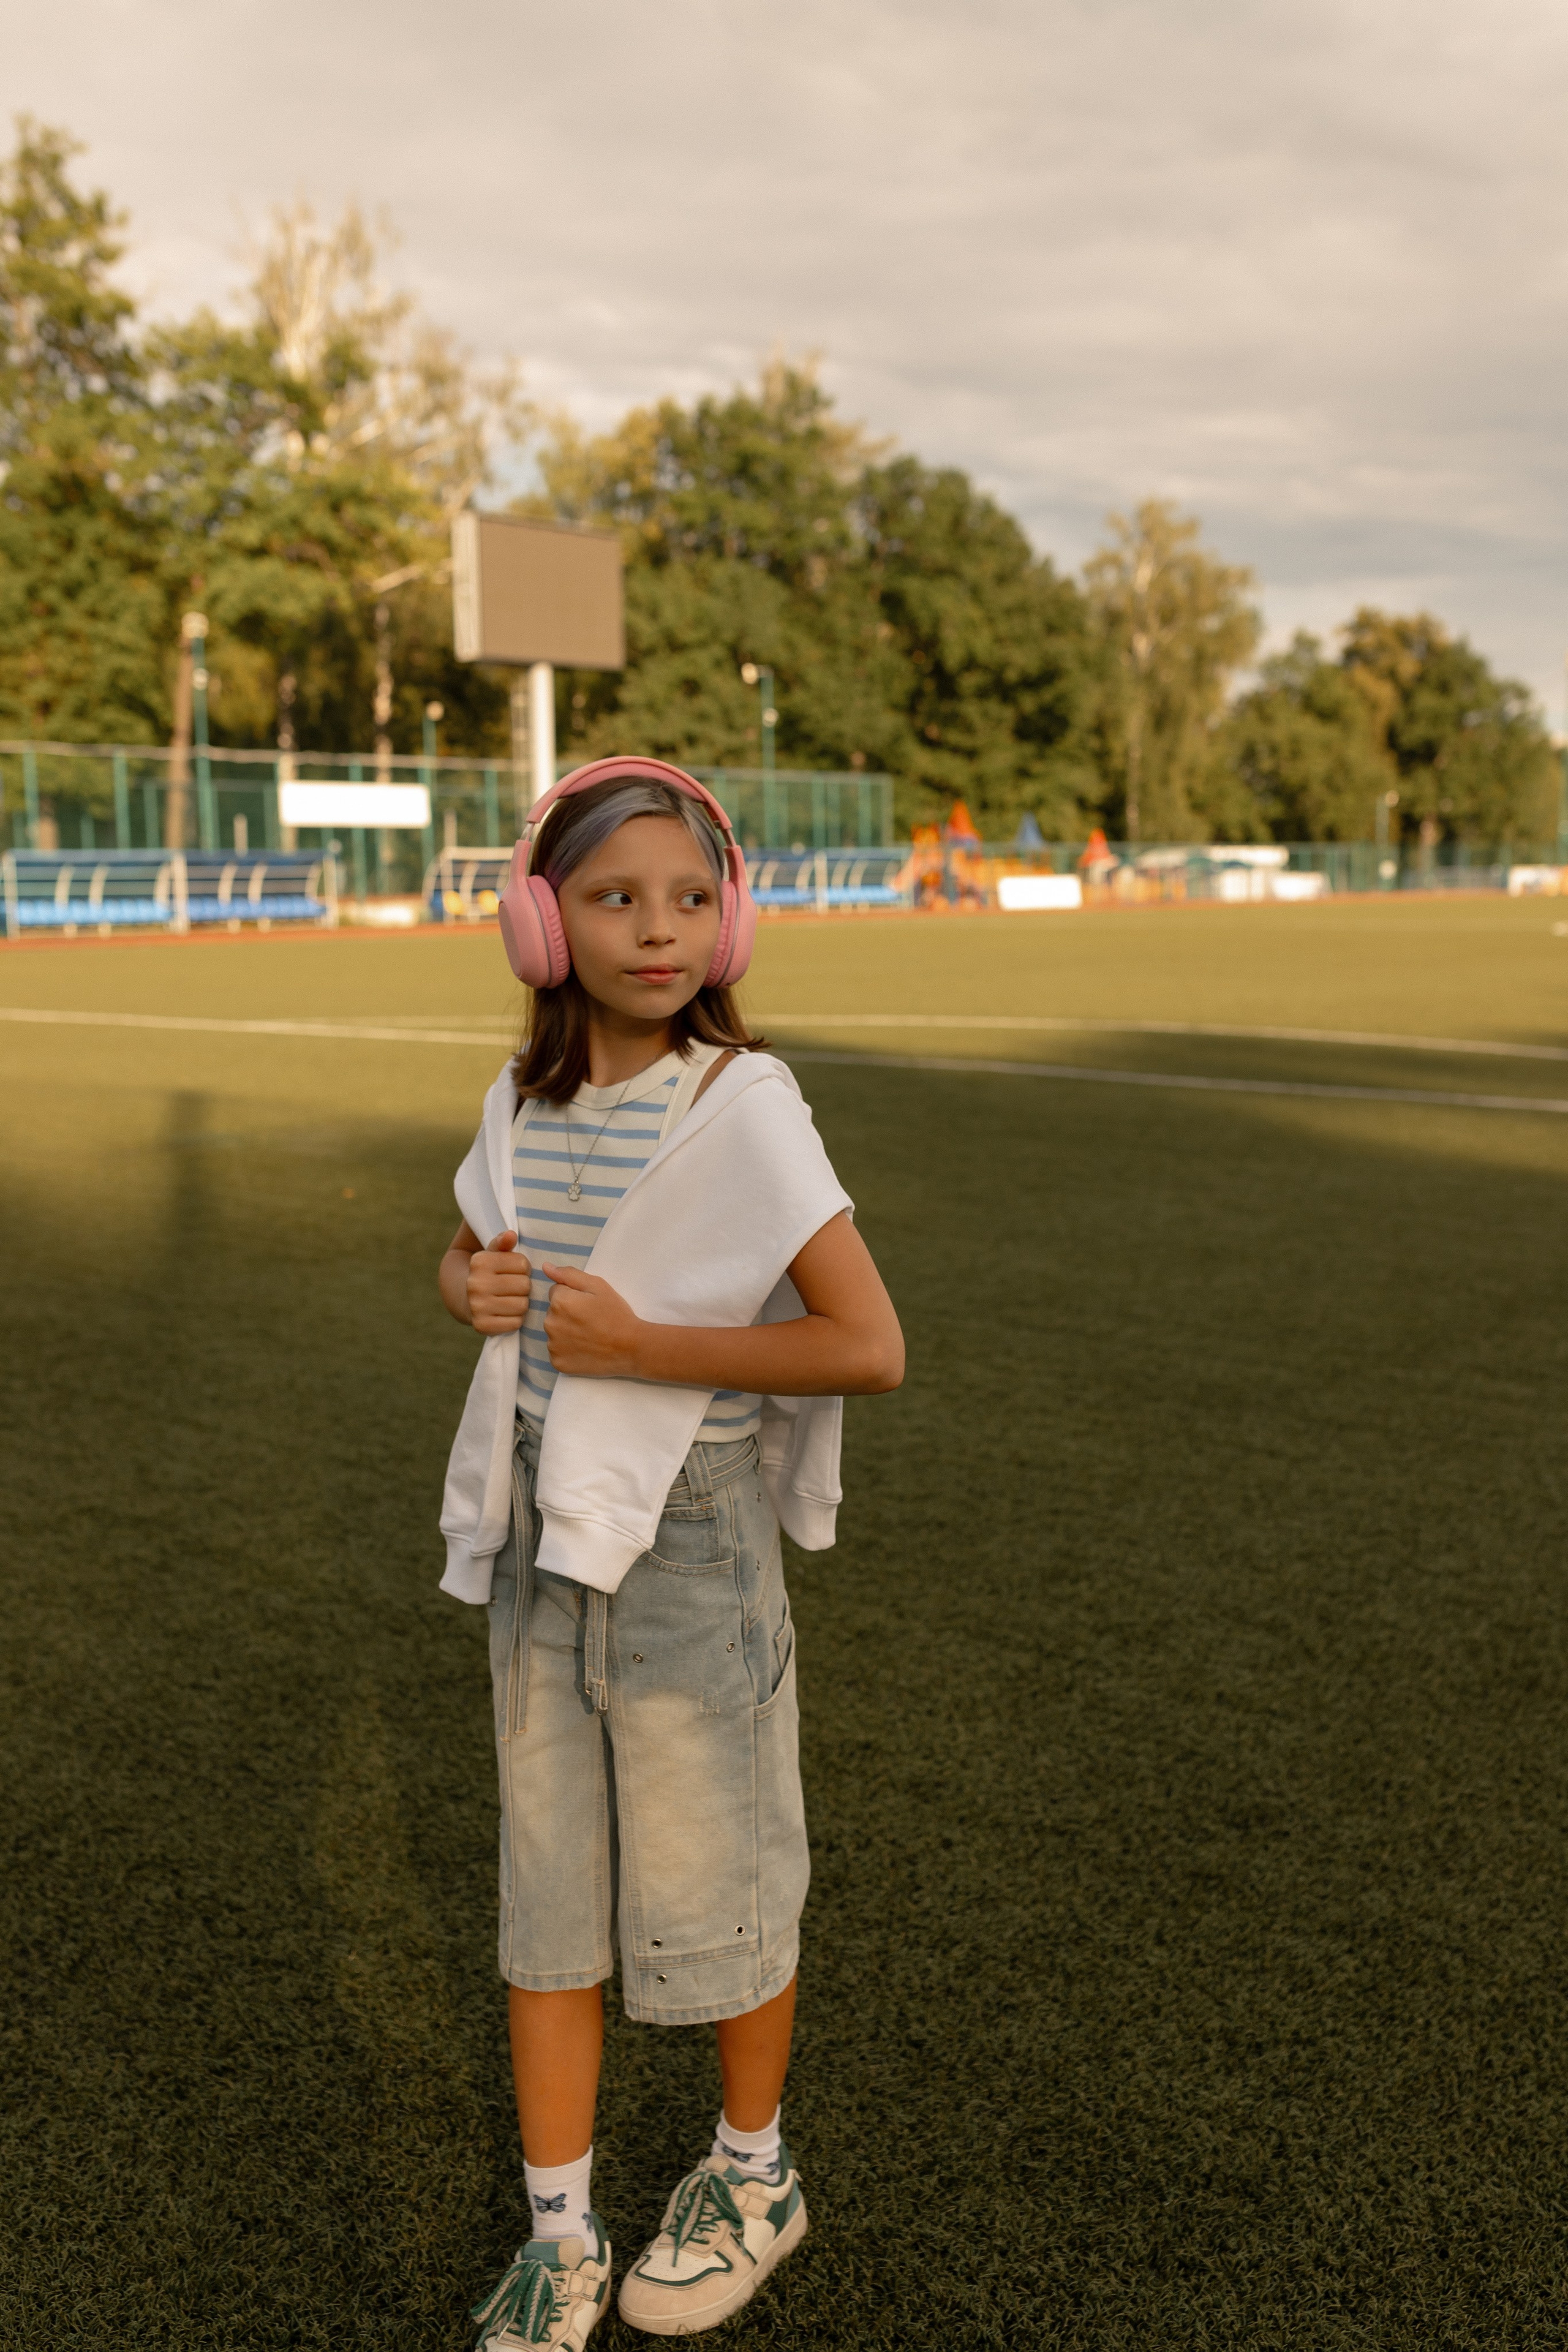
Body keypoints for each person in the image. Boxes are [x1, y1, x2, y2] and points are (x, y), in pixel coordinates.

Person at [437, 757, 905, 2348]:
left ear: (735, 925)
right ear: (539, 925)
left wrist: (645, 1347)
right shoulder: (522, 1101)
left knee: (725, 1895)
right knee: (547, 1904)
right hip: (541, 1545)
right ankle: (560, 2236)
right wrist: (467, 1289)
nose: (659, 931)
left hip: (689, 1545)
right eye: (615, 898)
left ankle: (752, 2175)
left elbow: (870, 1344)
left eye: (691, 900)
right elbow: (481, 1247)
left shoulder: (741, 1108)